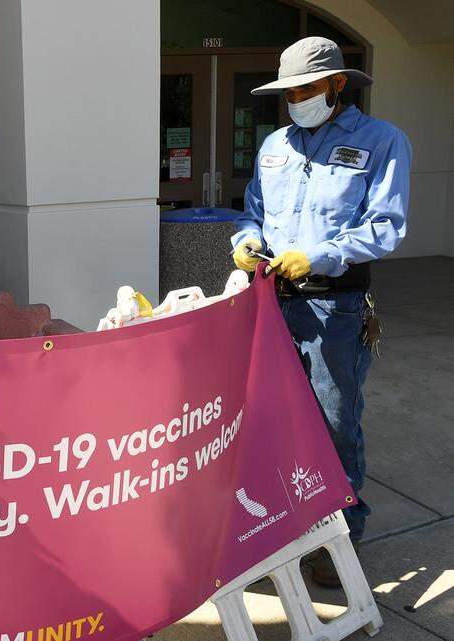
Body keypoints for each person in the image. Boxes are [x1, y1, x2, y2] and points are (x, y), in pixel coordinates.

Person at [231, 37, 410, 587]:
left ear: (336, 84)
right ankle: (287, 522)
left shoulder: (383, 142)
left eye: (307, 88)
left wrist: (319, 255)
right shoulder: (274, 146)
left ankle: (343, 534)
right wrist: (245, 238)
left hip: (335, 306)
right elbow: (254, 211)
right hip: (269, 303)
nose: (297, 100)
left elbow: (386, 226)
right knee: (270, 421)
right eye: (289, 93)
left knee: (335, 425)